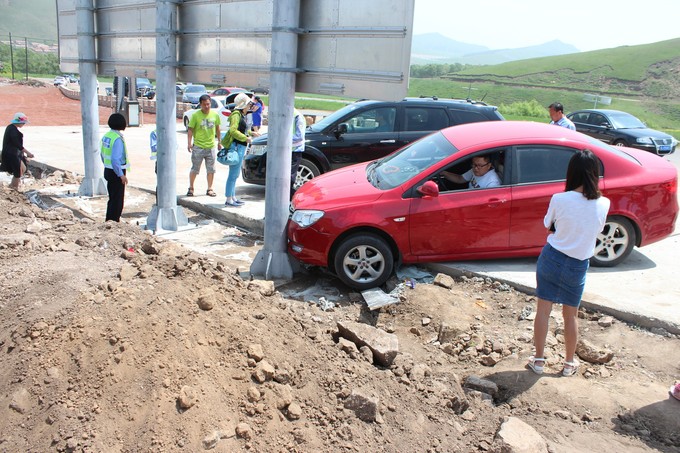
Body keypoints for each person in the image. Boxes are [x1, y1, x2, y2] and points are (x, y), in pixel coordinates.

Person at [527, 149, 610, 377]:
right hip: (578, 264)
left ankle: (539, 361)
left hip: (552, 257)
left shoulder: (559, 199)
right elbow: (598, 228)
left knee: (543, 311)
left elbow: (548, 224)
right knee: (570, 315)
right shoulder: (604, 203)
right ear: (595, 174)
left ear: (571, 173)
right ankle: (569, 363)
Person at [221, 92, 252, 207]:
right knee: (233, 174)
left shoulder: (240, 115)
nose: (249, 106)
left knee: (235, 174)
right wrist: (246, 138)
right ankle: (229, 199)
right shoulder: (236, 115)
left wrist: (251, 133)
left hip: (240, 147)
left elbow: (241, 130)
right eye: (248, 104)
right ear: (243, 104)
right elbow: (233, 131)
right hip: (237, 147)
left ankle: (232, 197)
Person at [186, 94, 221, 197]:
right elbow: (190, 129)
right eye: (205, 104)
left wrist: (219, 141)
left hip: (210, 147)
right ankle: (191, 188)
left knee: (211, 169)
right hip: (198, 147)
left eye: (209, 104)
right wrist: (189, 143)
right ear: (200, 104)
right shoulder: (196, 115)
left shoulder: (215, 115)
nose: (207, 106)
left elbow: (218, 129)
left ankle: (210, 188)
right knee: (195, 169)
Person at [100, 113, 130, 222]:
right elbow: (115, 159)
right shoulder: (117, 139)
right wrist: (121, 175)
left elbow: (102, 154)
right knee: (117, 200)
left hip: (108, 169)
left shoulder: (107, 136)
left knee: (112, 198)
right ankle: (114, 221)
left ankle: (109, 219)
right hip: (116, 171)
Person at [1, 112, 34, 190]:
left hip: (15, 153)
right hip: (12, 154)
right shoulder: (13, 131)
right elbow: (18, 145)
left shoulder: (11, 128)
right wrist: (28, 153)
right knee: (18, 172)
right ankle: (14, 187)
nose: (24, 124)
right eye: (23, 123)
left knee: (22, 169)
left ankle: (13, 186)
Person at [290, 108, 306, 199]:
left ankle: (292, 198)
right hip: (287, 151)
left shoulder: (297, 117)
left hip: (295, 150)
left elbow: (299, 136)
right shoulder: (289, 115)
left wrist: (283, 139)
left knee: (290, 177)